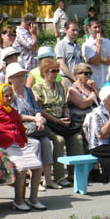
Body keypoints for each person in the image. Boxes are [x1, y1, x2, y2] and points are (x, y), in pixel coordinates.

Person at [0, 84, 44, 211]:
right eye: (6, 96)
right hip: (3, 145)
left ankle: (33, 199)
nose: (10, 98)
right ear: (0, 96)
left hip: (19, 145)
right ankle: (18, 200)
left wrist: (24, 142)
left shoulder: (12, 111)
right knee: (21, 168)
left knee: (38, 166)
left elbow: (21, 129)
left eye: (11, 95)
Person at [7, 63, 59, 190]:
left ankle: (48, 179)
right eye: (17, 76)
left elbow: (36, 108)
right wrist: (34, 118)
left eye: (22, 75)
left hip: (34, 125)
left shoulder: (28, 91)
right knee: (35, 144)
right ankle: (34, 180)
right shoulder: (9, 94)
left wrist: (39, 119)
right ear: (11, 79)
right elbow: (15, 115)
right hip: (20, 128)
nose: (21, 78)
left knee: (46, 142)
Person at [32, 58, 76, 187]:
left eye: (57, 70)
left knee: (76, 138)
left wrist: (66, 115)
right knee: (59, 140)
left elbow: (64, 105)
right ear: (45, 72)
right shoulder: (38, 87)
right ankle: (59, 176)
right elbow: (39, 109)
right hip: (48, 123)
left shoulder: (59, 86)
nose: (56, 73)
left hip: (61, 121)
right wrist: (56, 120)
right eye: (53, 71)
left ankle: (75, 174)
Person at [82, 17, 110, 87]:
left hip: (107, 80)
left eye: (99, 27)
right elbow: (96, 62)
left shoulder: (107, 42)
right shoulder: (87, 45)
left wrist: (99, 59)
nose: (98, 29)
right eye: (95, 27)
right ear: (89, 28)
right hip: (95, 81)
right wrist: (98, 46)